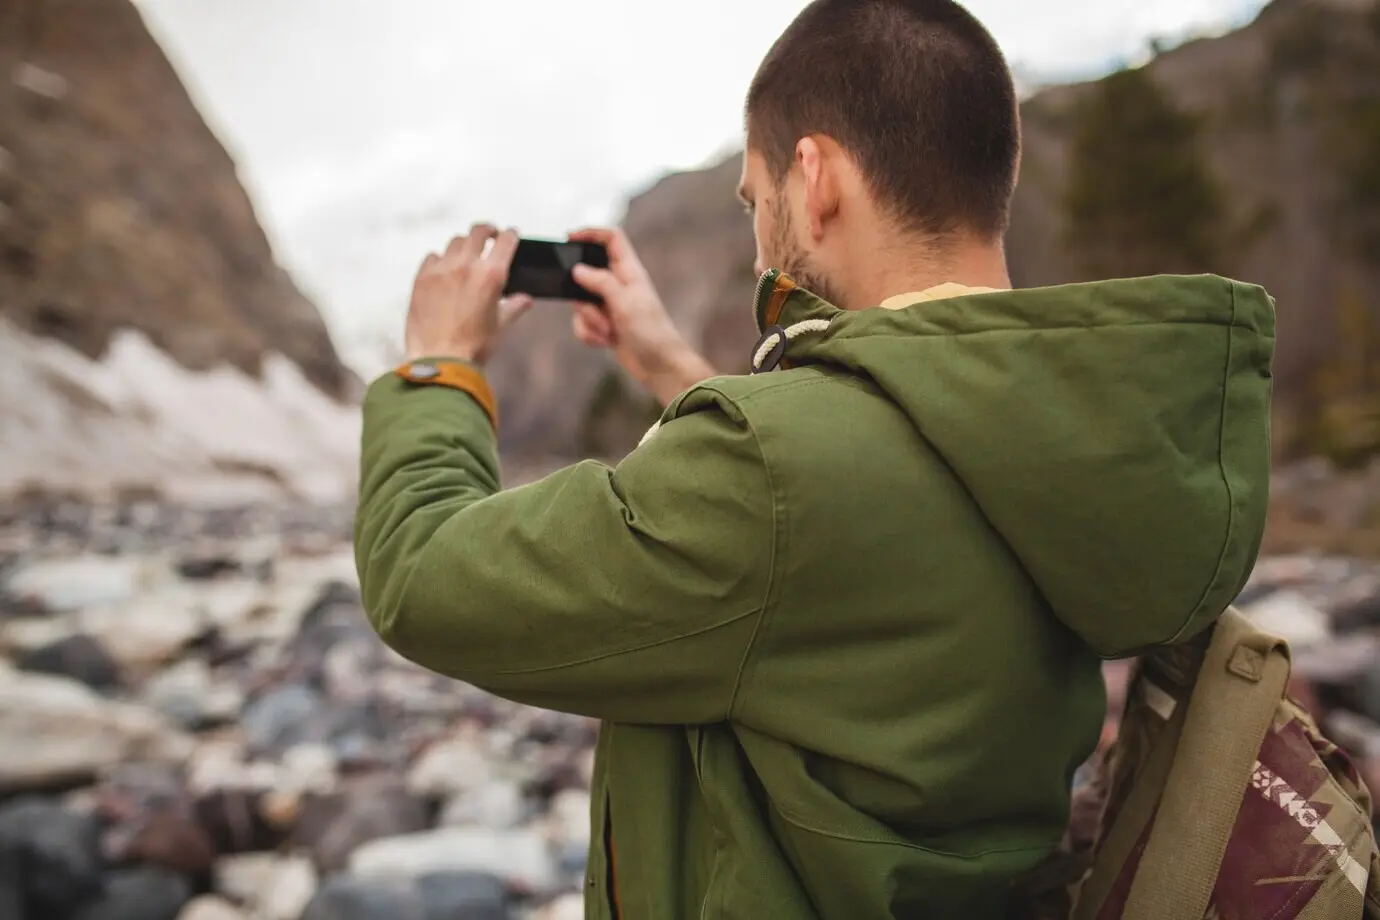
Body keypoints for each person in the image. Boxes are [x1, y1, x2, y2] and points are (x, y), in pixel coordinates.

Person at [353, 0, 1276, 917]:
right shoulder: (1072, 434)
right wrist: (669, 365)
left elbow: (421, 576)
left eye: (756, 199)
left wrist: (439, 368)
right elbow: (841, 493)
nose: (761, 236)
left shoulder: (771, 477)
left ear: (816, 174)